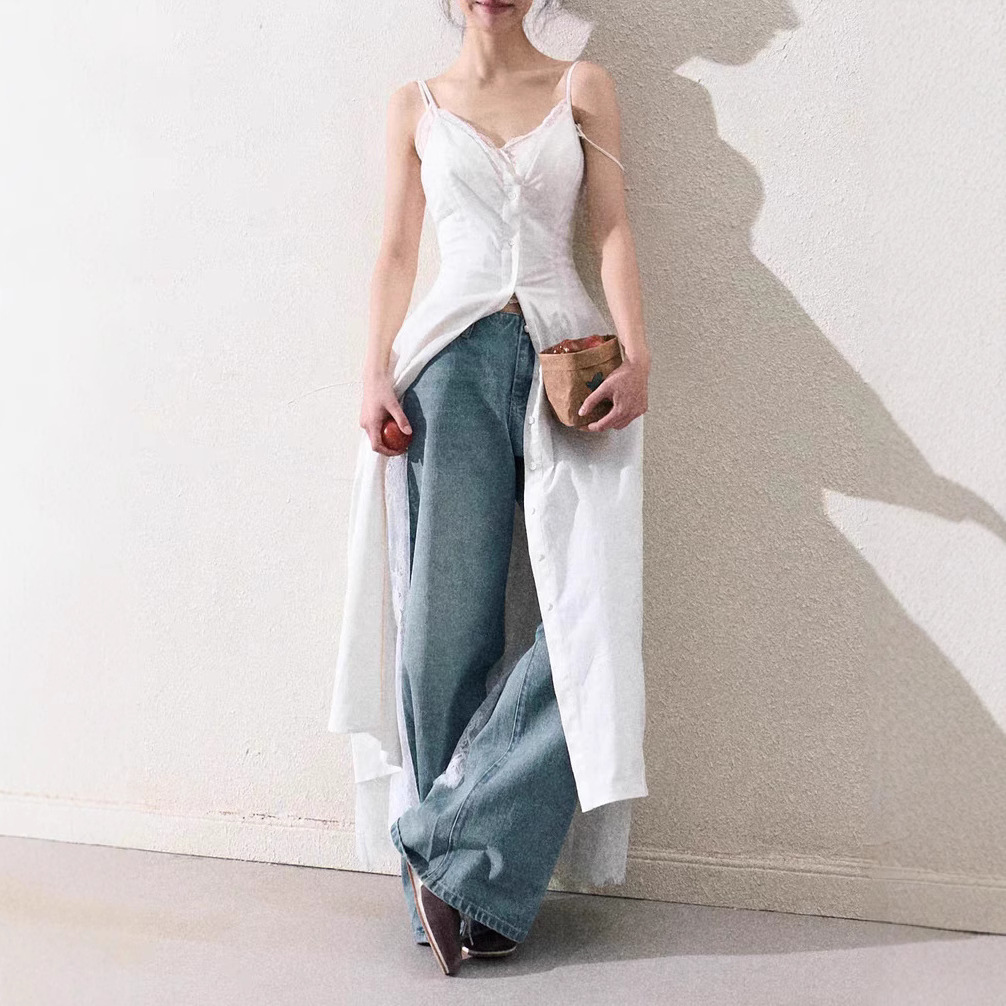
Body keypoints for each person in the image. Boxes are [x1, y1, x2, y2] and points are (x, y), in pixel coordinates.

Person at [328, 0, 651, 977]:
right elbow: (396, 249)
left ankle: (453, 855)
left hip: (575, 356)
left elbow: (610, 231)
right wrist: (372, 371)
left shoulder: (583, 87)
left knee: (592, 621)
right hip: (449, 360)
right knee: (444, 629)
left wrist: (638, 355)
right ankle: (467, 886)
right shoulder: (415, 105)